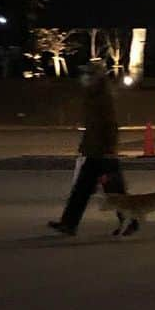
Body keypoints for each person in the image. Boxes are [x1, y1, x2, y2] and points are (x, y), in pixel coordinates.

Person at [48, 63, 137, 236]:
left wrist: (110, 148)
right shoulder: (92, 96)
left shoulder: (103, 97)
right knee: (82, 189)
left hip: (104, 152)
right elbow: (91, 127)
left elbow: (110, 125)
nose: (85, 78)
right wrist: (84, 145)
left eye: (89, 75)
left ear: (97, 78)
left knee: (114, 190)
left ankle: (130, 220)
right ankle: (69, 224)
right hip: (93, 151)